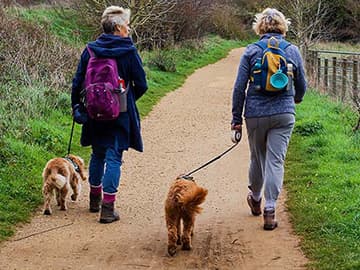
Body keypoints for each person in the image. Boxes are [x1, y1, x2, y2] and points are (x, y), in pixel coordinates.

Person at [231, 8, 306, 230]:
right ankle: (270, 209)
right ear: (283, 26)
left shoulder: (251, 51)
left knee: (257, 158)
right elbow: (302, 84)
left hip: (255, 113)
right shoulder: (292, 50)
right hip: (284, 113)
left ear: (259, 27)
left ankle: (255, 199)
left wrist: (236, 118)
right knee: (276, 160)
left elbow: (238, 88)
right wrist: (297, 99)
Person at [71, 6, 148, 223]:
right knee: (114, 156)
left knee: (98, 153)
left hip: (94, 112)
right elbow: (141, 84)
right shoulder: (129, 51)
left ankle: (94, 200)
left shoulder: (90, 50)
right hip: (120, 112)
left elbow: (77, 82)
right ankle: (107, 208)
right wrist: (126, 100)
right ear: (117, 27)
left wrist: (77, 106)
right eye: (126, 25)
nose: (129, 29)